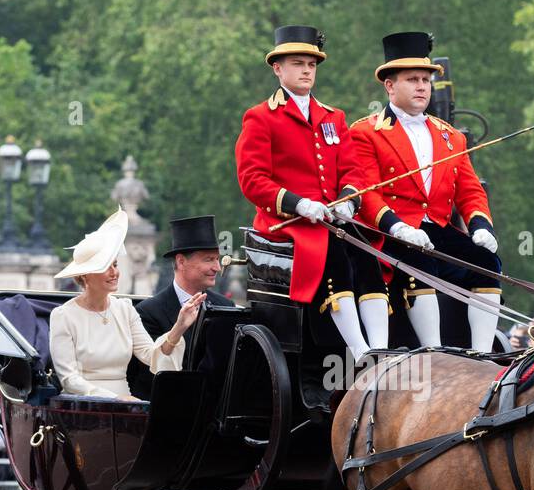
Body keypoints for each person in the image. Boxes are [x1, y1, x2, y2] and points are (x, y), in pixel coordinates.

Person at [235, 25, 384, 365]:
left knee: (367, 252)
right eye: (298, 63)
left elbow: (353, 171)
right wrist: (299, 203)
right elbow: (252, 180)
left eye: (311, 64)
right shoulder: (260, 117)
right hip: (287, 221)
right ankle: (359, 350)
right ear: (278, 68)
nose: (306, 70)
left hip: (333, 217)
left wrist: (348, 199)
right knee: (332, 252)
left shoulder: (334, 116)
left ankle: (380, 347)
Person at [349, 31, 503, 351]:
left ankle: (484, 355)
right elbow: (366, 191)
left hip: (437, 229)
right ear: (390, 86)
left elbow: (470, 190)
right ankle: (434, 350)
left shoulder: (451, 137)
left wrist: (480, 225)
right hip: (389, 235)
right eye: (412, 79)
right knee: (419, 260)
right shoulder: (366, 132)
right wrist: (398, 226)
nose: (422, 86)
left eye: (426, 79)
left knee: (486, 261)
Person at [50, 208, 199, 400]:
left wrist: (178, 328)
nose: (115, 272)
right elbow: (69, 379)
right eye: (106, 267)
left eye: (116, 265)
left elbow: (151, 356)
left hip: (126, 408)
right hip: (83, 407)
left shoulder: (125, 309)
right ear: (85, 275)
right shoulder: (63, 316)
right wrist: (114, 399)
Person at [130, 215, 237, 394]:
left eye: (217, 259)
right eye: (209, 259)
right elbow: (150, 376)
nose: (217, 267)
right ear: (181, 261)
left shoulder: (225, 306)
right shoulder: (147, 312)